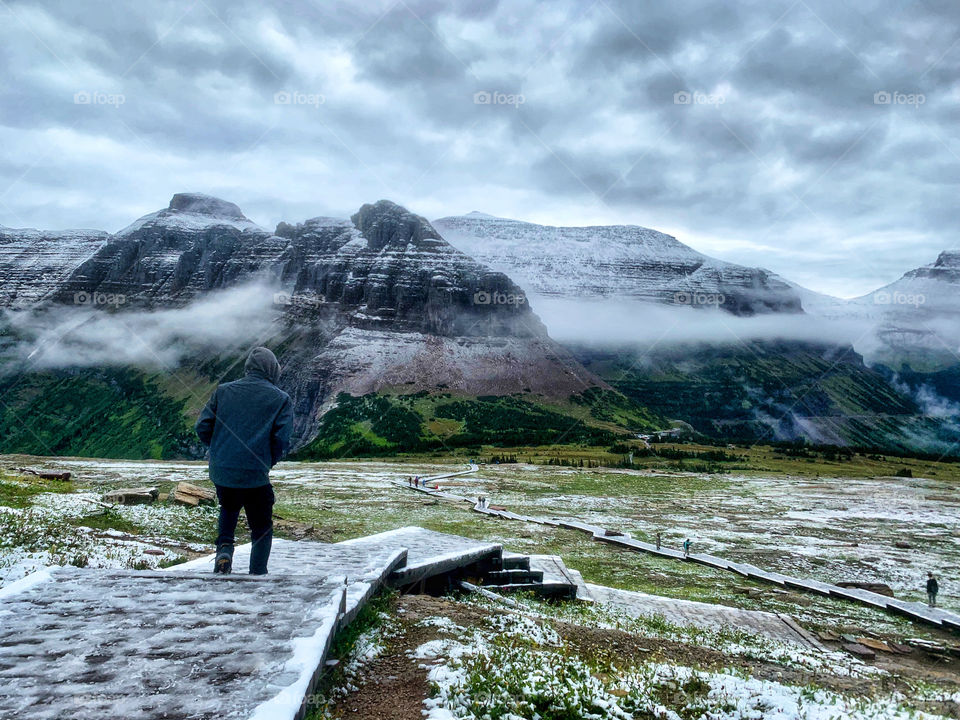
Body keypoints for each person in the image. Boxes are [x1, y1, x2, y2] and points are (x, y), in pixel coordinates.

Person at [195, 347, 294, 576]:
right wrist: (268, 460)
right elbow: (282, 439)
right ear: (272, 369)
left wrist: (220, 451)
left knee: (228, 507)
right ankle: (257, 573)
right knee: (261, 524)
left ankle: (225, 551)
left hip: (223, 470)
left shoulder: (223, 391)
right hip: (256, 472)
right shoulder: (280, 399)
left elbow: (202, 427)